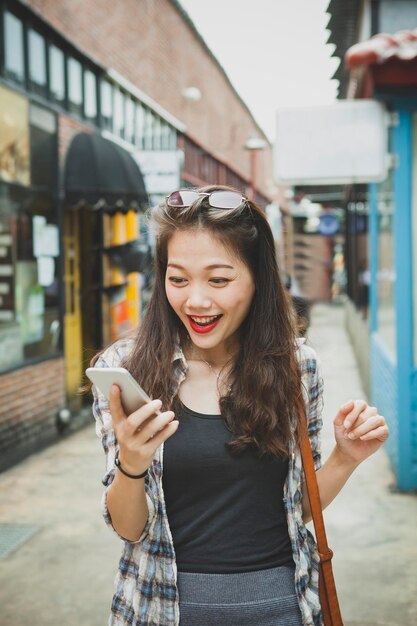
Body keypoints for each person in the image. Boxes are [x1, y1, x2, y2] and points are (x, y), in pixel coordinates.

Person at [91, 186, 389, 626]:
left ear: (257, 279)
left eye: (219, 279)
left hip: (282, 608)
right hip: (163, 609)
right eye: (178, 279)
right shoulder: (127, 369)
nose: (196, 300)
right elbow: (131, 528)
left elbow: (294, 508)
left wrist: (346, 458)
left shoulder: (296, 367)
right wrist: (131, 463)